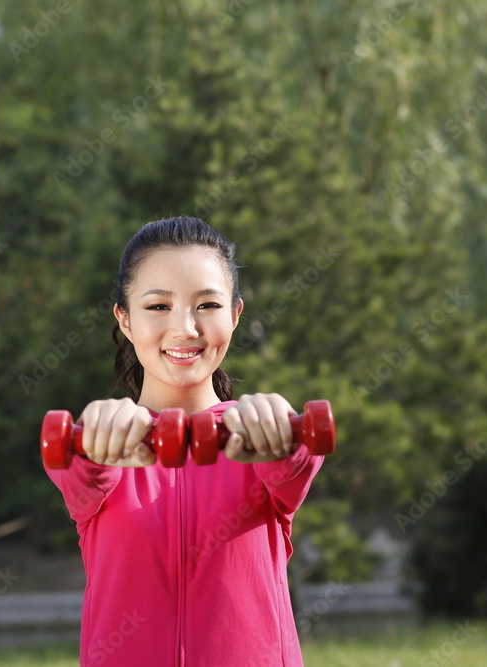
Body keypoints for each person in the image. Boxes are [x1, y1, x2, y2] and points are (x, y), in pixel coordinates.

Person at [45, 216, 324, 666]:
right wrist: (95, 444)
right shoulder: (102, 445)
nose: (185, 329)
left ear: (235, 315)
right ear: (126, 319)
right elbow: (79, 473)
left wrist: (282, 435)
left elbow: (295, 465)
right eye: (158, 307)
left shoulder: (261, 439)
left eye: (207, 305)